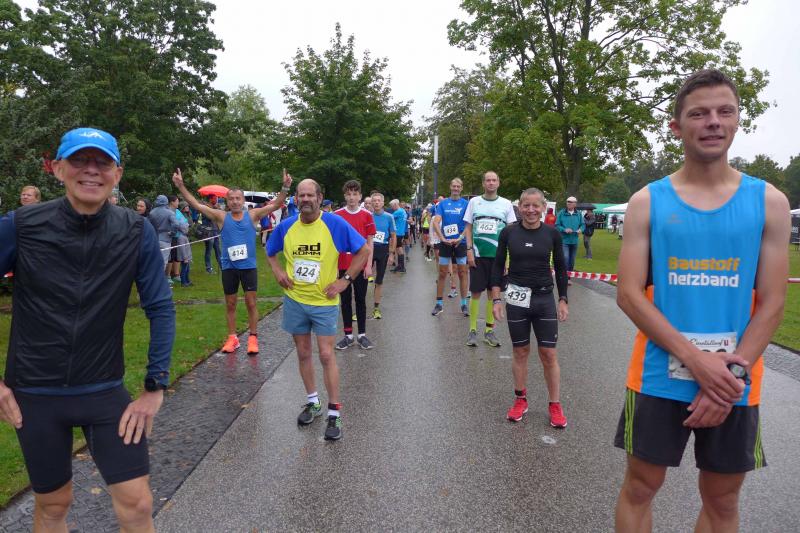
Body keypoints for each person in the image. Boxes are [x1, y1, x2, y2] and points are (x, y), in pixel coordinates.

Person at [613, 69, 790, 532]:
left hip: (736, 379)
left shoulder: (769, 202)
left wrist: (728, 378)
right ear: (676, 126)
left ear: (737, 120)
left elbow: (773, 302)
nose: (713, 121)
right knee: (639, 488)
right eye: (699, 113)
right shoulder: (647, 202)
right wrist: (697, 361)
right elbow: (628, 294)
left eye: (724, 111)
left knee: (723, 500)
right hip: (659, 375)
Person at [0, 127, 175, 531]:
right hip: (36, 393)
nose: (91, 170)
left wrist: (155, 386)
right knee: (53, 504)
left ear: (117, 173)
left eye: (102, 162)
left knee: (137, 503)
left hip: (102, 389)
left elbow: (161, 308)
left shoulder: (135, 230)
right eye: (79, 160)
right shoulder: (22, 225)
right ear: (57, 169)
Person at [266, 178, 370, 441]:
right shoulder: (287, 226)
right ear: (296, 199)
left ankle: (334, 412)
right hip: (295, 300)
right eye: (301, 195)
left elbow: (363, 250)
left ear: (320, 198)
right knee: (303, 353)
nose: (305, 199)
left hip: (324, 302)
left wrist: (345, 281)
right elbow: (269, 251)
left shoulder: (334, 224)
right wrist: (278, 271)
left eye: (310, 195)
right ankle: (313, 402)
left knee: (325, 355)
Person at [173, 168, 290, 355]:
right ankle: (232, 338)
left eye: (238, 198)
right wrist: (181, 186)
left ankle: (253, 337)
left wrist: (285, 187)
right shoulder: (221, 217)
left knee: (251, 303)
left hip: (248, 267)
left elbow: (276, 204)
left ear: (243, 201)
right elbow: (195, 204)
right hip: (229, 268)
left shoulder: (252, 215)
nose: (235, 202)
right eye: (231, 199)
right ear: (227, 202)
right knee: (230, 303)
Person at [491, 188, 569, 427]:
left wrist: (563, 299)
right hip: (517, 299)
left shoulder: (552, 234)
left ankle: (554, 404)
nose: (531, 210)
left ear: (543, 207)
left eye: (536, 206)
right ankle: (520, 400)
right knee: (520, 351)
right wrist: (496, 299)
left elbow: (561, 268)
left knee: (549, 354)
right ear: (520, 207)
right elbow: (497, 265)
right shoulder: (509, 232)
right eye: (526, 205)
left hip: (544, 298)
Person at [464, 171, 517, 347]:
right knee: (476, 292)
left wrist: (508, 258)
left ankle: (489, 331)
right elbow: (468, 227)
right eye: (488, 180)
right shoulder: (474, 202)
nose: (491, 183)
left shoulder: (506, 204)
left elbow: (510, 232)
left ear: (498, 183)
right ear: (483, 183)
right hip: (478, 255)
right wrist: (469, 250)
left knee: (492, 293)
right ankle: (472, 330)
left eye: (494, 180)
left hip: (498, 256)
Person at [334, 180, 376, 350]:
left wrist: (368, 265)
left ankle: (362, 335)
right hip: (342, 264)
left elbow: (370, 242)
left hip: (360, 264)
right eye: (348, 194)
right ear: (345, 196)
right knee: (345, 300)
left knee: (360, 299)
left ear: (360, 196)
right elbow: (332, 242)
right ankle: (348, 335)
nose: (352, 197)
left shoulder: (367, 215)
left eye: (355, 194)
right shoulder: (337, 215)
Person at [431, 178, 470, 317]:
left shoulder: (466, 204)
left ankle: (464, 304)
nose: (456, 188)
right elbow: (436, 222)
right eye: (454, 186)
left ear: (461, 188)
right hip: (446, 242)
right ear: (450, 187)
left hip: (460, 243)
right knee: (442, 273)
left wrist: (461, 237)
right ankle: (439, 304)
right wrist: (441, 238)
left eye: (458, 186)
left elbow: (469, 224)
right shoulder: (443, 203)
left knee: (462, 272)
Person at [369, 192, 396, 319]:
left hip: (383, 248)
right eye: (374, 201)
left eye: (378, 200)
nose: (376, 203)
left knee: (379, 280)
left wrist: (391, 254)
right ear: (371, 203)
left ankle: (376, 308)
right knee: (362, 279)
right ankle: (359, 308)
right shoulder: (368, 216)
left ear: (383, 202)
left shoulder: (389, 217)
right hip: (369, 249)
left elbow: (393, 236)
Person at [148, 194, 181, 286]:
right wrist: (172, 233)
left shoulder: (152, 212)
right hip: (165, 239)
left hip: (154, 239)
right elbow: (176, 224)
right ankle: (158, 282)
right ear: (166, 202)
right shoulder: (169, 212)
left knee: (153, 261)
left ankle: (152, 280)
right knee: (163, 261)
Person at [555, 196, 584, 281]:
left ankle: (569, 277)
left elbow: (583, 225)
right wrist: (564, 229)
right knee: (566, 258)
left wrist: (580, 230)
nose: (568, 203)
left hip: (574, 240)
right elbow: (557, 225)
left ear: (575, 204)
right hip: (564, 240)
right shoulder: (561, 213)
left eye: (571, 202)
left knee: (572, 261)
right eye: (567, 201)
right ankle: (565, 277)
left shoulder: (578, 214)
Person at [198, 195, 222, 274]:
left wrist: (217, 209)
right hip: (208, 232)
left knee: (218, 250)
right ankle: (208, 268)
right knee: (209, 251)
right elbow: (210, 217)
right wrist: (214, 210)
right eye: (215, 199)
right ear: (210, 199)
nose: (216, 200)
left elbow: (220, 217)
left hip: (215, 231)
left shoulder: (214, 208)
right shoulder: (206, 208)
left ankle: (222, 267)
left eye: (217, 198)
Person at [389, 199, 408, 272]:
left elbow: (389, 218)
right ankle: (400, 266)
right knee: (399, 248)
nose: (391, 208)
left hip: (397, 233)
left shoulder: (398, 212)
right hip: (401, 232)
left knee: (398, 248)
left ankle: (401, 267)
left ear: (395, 204)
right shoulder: (403, 211)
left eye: (391, 206)